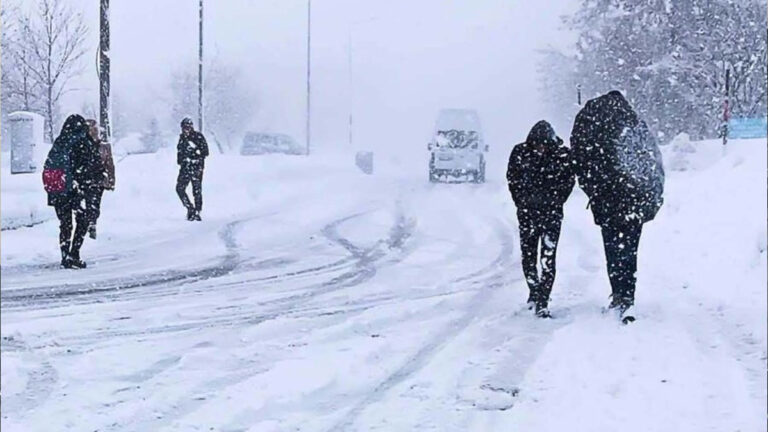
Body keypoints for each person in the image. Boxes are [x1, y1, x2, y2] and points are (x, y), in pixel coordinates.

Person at [570, 90, 664, 323]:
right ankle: (627, 295)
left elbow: (583, 164)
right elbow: (652, 163)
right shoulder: (634, 126)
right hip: (635, 202)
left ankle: (618, 293)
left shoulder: (594, 127)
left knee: (613, 250)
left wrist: (594, 191)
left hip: (608, 203)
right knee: (630, 250)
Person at [507, 120, 575, 318]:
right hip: (528, 213)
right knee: (528, 256)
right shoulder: (520, 153)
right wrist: (521, 202)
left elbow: (569, 181)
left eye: (544, 145)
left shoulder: (562, 156)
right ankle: (534, 291)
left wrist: (556, 201)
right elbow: (512, 179)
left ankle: (543, 298)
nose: (540, 149)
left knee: (548, 257)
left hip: (550, 214)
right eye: (537, 145)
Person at [42, 114, 100, 269]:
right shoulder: (82, 141)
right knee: (83, 219)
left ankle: (65, 255)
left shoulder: (61, 141)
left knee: (65, 223)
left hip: (58, 188)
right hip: (75, 188)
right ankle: (74, 253)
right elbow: (87, 165)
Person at [84, 119, 116, 239]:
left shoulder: (104, 147)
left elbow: (109, 164)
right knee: (89, 202)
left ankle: (92, 222)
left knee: (95, 203)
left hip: (98, 180)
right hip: (85, 179)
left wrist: (111, 180)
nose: (95, 131)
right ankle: (89, 222)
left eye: (95, 129)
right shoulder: (82, 146)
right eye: (92, 129)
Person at [175, 117, 209, 221]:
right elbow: (179, 152)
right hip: (185, 168)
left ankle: (197, 212)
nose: (186, 129)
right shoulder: (182, 139)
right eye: (184, 127)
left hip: (196, 167)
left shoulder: (198, 137)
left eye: (188, 127)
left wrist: (194, 154)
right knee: (179, 188)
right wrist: (181, 160)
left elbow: (205, 152)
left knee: (197, 190)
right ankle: (190, 208)